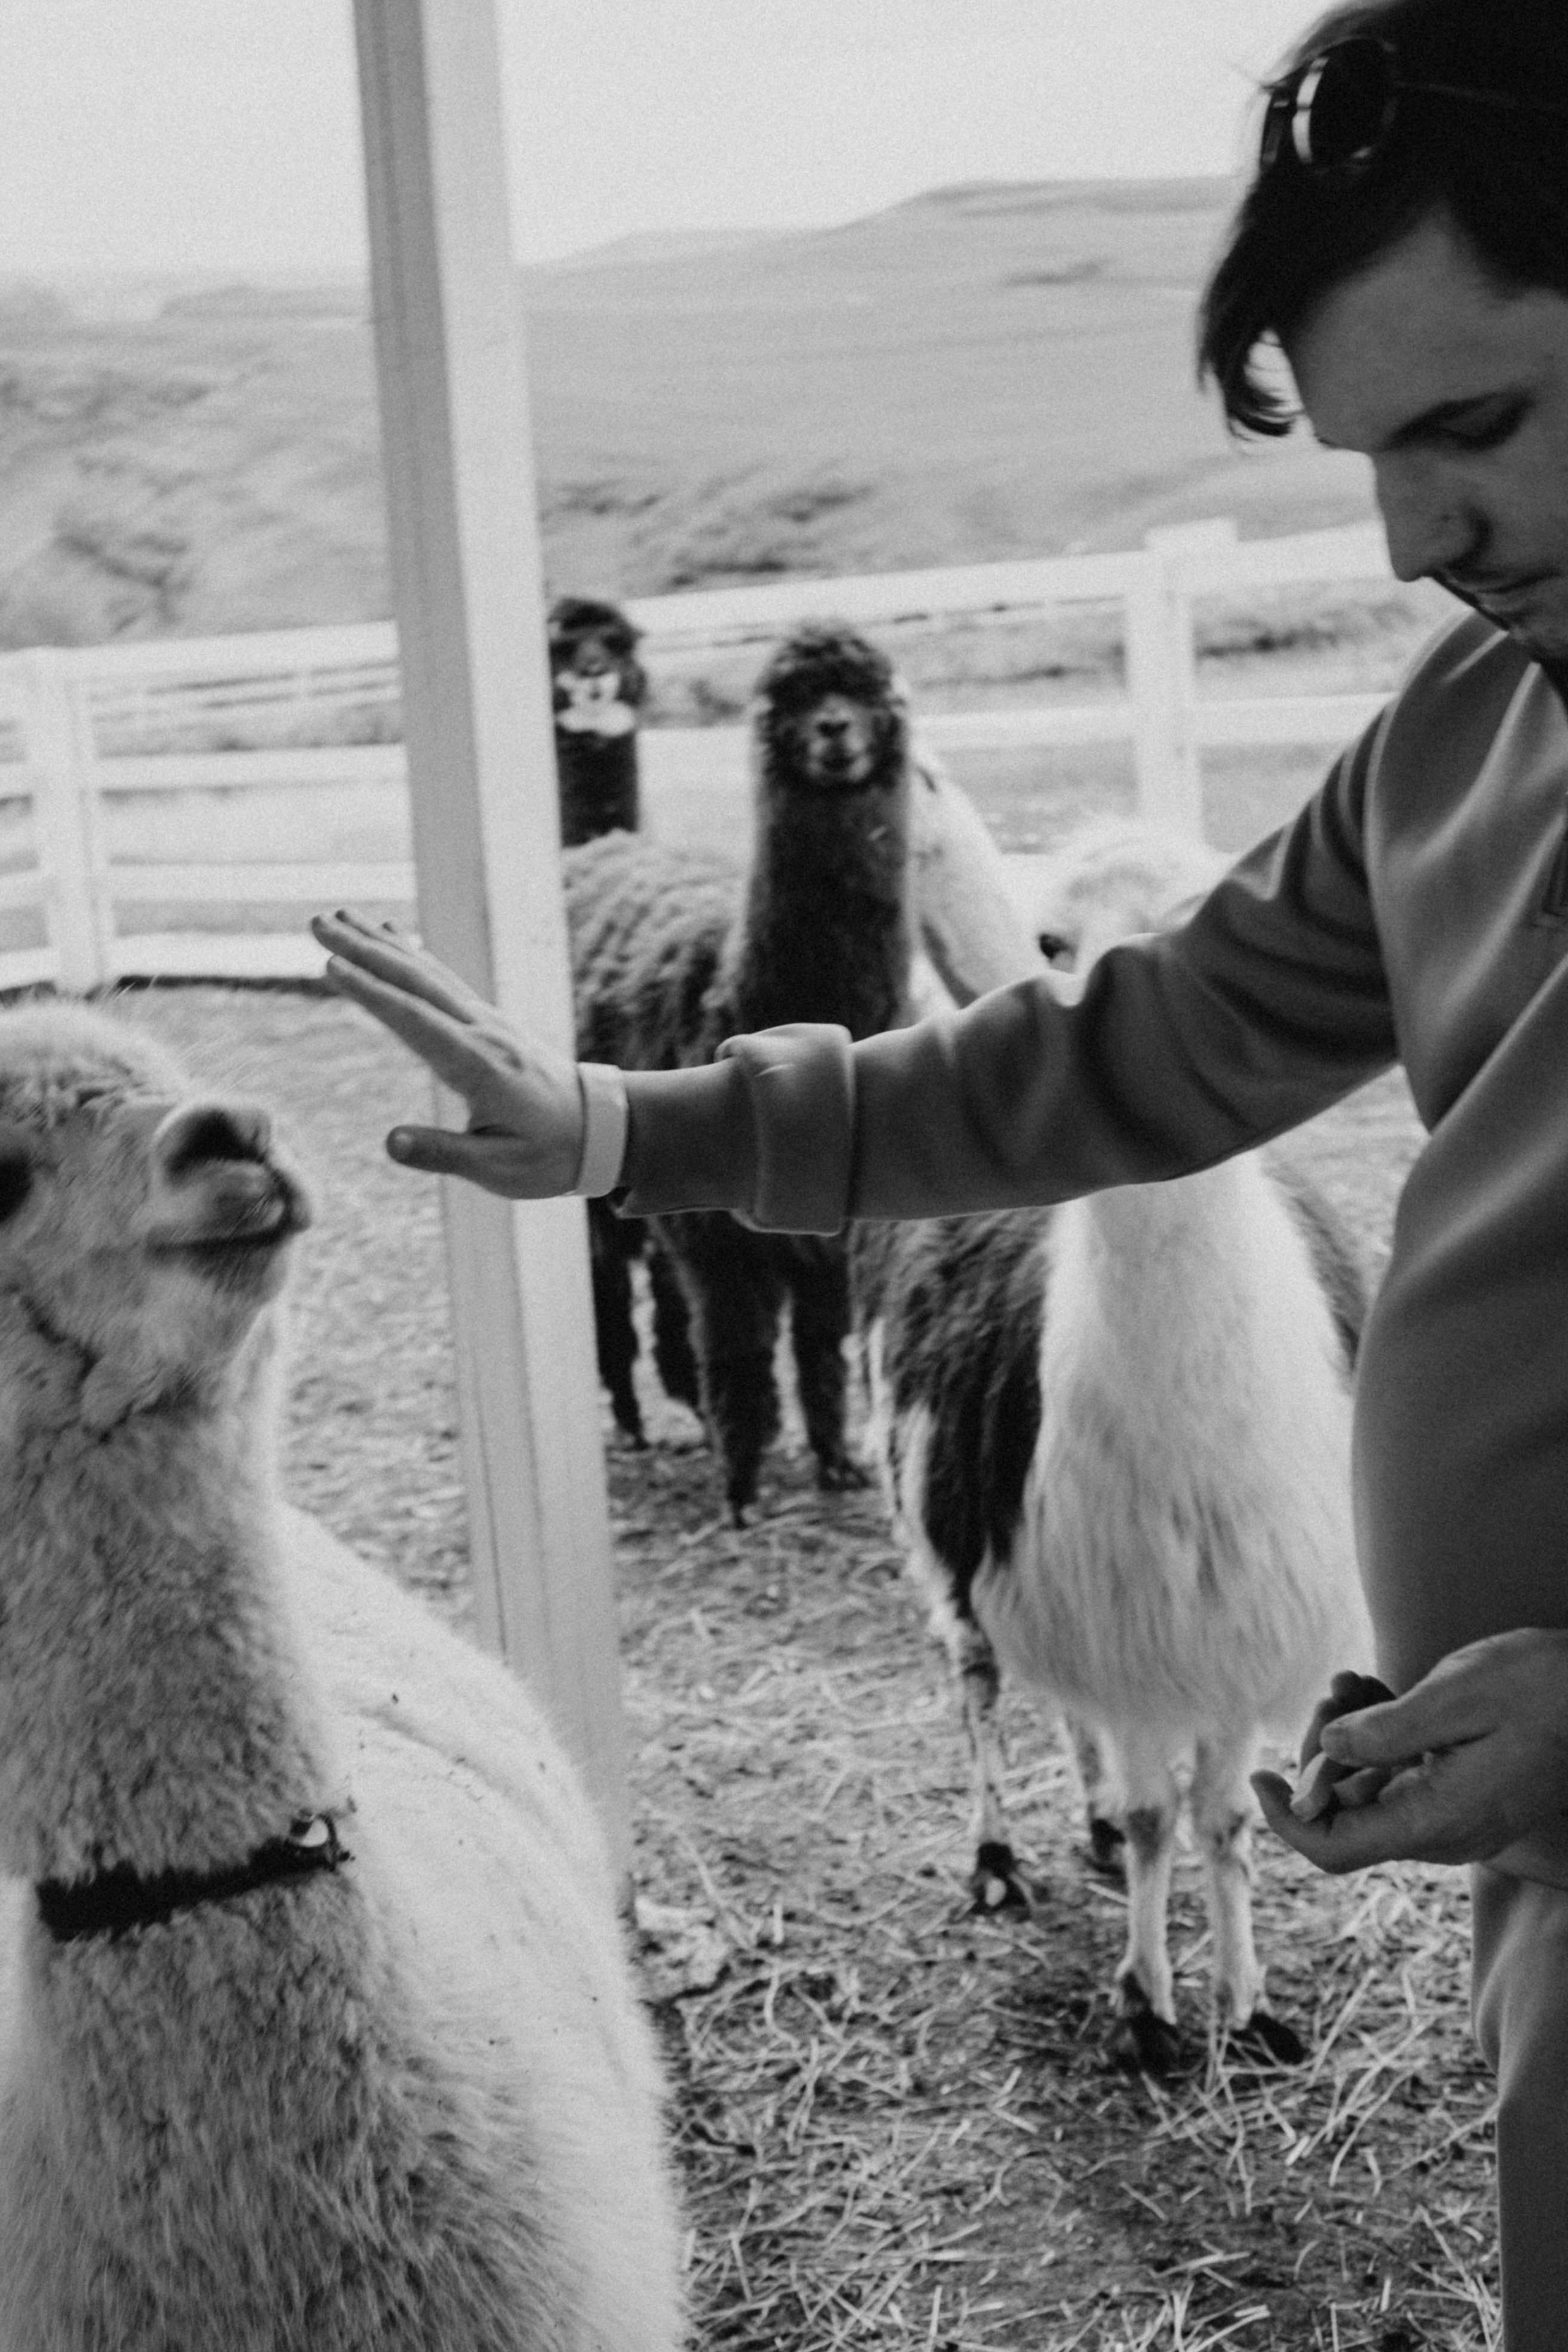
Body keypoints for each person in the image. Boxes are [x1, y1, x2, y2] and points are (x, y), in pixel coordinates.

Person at [315, 1, 1568, 2338]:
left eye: (1477, 427)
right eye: (1380, 461)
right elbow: (1133, 1054)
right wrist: (621, 1123)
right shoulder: (1471, 749)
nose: (1418, 541)